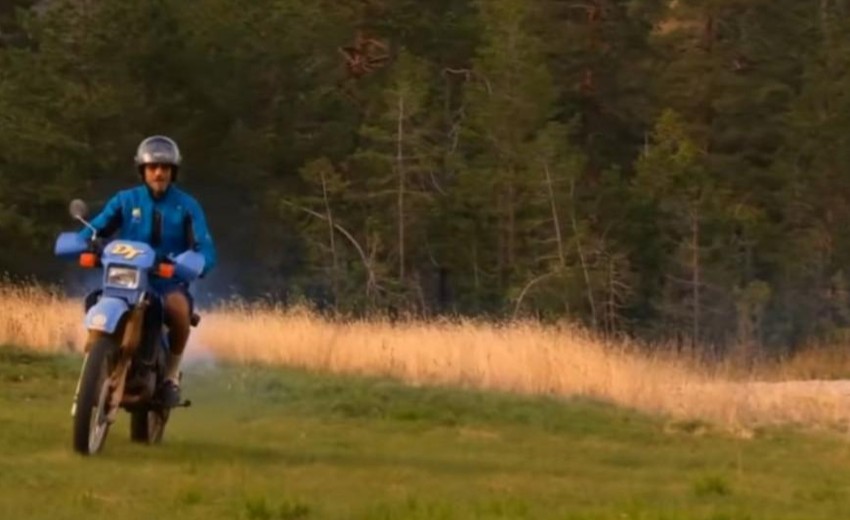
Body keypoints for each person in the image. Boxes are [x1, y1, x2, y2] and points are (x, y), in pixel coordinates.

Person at [78, 135, 217, 406]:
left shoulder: (187, 206)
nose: (158, 173)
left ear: (173, 172)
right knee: (95, 302)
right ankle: (93, 367)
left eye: (165, 168)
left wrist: (198, 263)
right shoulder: (125, 200)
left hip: (167, 279)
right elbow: (95, 227)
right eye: (153, 167)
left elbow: (206, 247)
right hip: (123, 276)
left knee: (178, 311)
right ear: (142, 170)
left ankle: (170, 376)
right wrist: (81, 242)